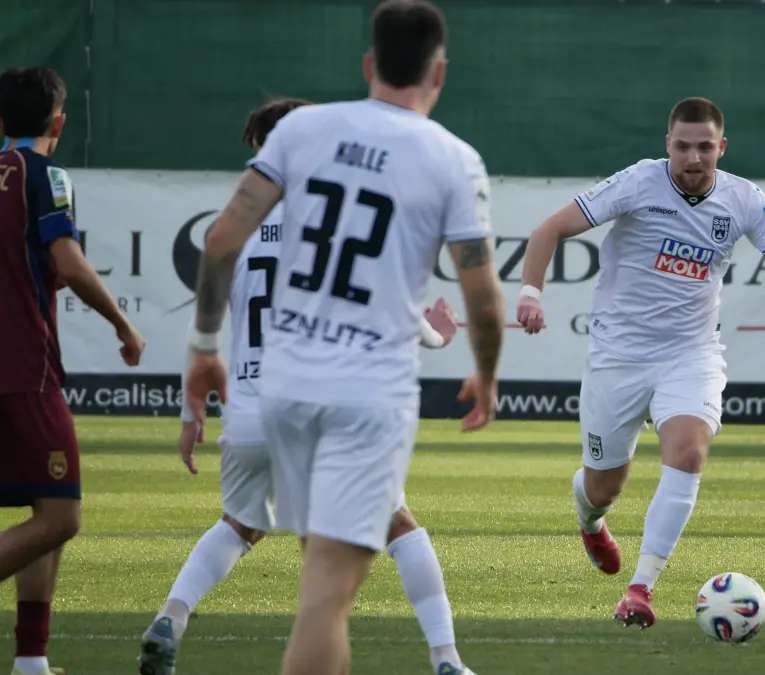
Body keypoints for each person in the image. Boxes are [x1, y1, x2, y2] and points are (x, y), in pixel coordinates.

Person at [182, 2, 505, 674]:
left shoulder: (302, 130)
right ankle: (445, 656)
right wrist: (486, 371)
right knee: (327, 597)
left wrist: (205, 346)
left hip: (285, 389)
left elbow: (219, 239)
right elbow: (481, 293)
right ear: (440, 72)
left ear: (368, 64)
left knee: (318, 586)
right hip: (367, 395)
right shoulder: (453, 157)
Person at [138, 98, 478, 675]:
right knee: (396, 522)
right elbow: (388, 302)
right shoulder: (334, 221)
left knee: (240, 523)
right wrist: (438, 336)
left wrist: (191, 406)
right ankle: (446, 657)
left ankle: (170, 618)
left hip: (250, 409)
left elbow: (208, 322)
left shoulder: (236, 233)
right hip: (321, 401)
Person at [516, 97, 765, 629]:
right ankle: (590, 519)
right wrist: (530, 293)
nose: (693, 157)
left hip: (691, 354)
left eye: (705, 147)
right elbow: (549, 230)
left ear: (722, 147)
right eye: (683, 146)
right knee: (604, 487)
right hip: (618, 356)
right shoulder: (638, 182)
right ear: (667, 145)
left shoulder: (745, 199)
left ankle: (640, 589)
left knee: (689, 452)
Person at [0, 66, 146, 675]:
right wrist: (123, 324)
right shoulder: (45, 175)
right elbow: (70, 262)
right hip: (22, 369)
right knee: (61, 515)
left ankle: (32, 661)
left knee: (45, 504)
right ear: (58, 123)